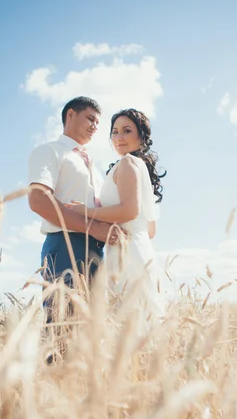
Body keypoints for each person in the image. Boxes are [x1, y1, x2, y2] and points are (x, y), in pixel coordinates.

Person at [66, 108, 165, 318]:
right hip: (140, 251)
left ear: (141, 136)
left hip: (125, 254)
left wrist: (87, 212)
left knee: (126, 323)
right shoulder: (140, 167)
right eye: (115, 132)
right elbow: (151, 230)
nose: (119, 137)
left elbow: (130, 210)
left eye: (127, 131)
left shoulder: (128, 163)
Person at [28, 96, 117, 320]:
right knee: (61, 328)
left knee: (89, 333)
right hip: (65, 245)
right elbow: (38, 200)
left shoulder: (93, 167)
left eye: (98, 123)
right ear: (70, 115)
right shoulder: (50, 151)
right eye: (90, 119)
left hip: (97, 251)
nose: (95, 127)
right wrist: (93, 228)